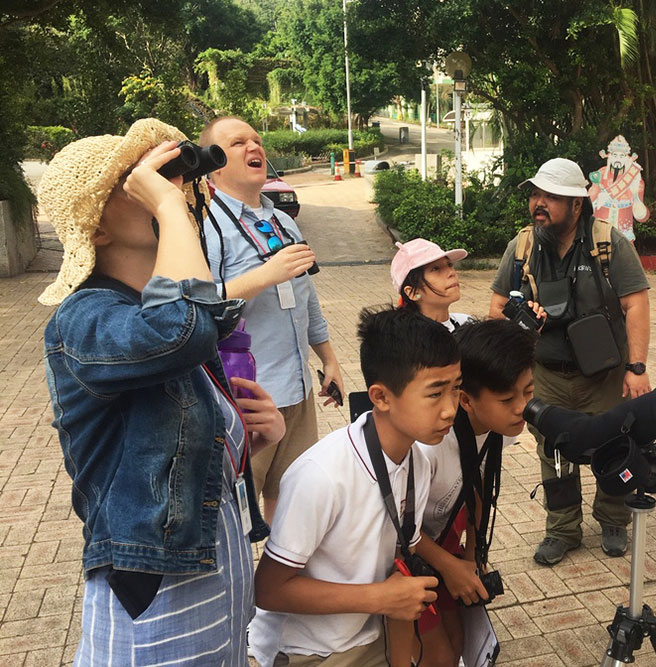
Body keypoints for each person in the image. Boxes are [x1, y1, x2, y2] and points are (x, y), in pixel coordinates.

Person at [38, 119, 285, 665]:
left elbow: (175, 460)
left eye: (171, 178)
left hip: (216, 573)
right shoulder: (85, 318)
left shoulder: (163, 310)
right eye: (138, 182)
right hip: (153, 595)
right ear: (96, 230)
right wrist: (172, 210)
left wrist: (248, 440)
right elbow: (181, 330)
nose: (169, 187)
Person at [250, 307, 460, 667]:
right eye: (435, 394)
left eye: (456, 390)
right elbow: (268, 589)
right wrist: (380, 598)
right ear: (380, 397)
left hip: (374, 636)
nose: (450, 410)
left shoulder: (418, 461)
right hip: (312, 652)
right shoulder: (323, 475)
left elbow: (401, 558)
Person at [489, 157, 652, 565]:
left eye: (550, 197)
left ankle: (613, 519)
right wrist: (520, 314)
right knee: (554, 450)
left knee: (613, 444)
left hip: (604, 374)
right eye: (535, 194)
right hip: (545, 373)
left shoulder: (609, 243)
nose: (538, 203)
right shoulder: (522, 246)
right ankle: (562, 529)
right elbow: (495, 309)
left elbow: (636, 305)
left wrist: (637, 368)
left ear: (577, 204)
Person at [200, 116, 345, 524]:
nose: (254, 147)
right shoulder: (206, 225)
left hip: (297, 391)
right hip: (245, 398)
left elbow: (305, 293)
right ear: (212, 161)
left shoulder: (282, 221)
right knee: (237, 514)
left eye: (257, 140)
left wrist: (328, 357)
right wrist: (265, 274)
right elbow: (198, 304)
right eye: (237, 142)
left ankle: (285, 583)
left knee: (294, 506)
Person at [405, 319, 536, 666]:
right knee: (439, 654)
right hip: (403, 556)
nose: (522, 407)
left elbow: (475, 489)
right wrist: (450, 566)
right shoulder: (429, 445)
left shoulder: (498, 426)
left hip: (442, 543)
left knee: (460, 638)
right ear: (465, 400)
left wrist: (471, 556)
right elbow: (398, 531)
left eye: (529, 391)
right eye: (508, 398)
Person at [391, 238, 472, 331]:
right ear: (412, 293)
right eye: (435, 269)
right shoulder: (406, 340)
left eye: (449, 265)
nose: (451, 273)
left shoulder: (467, 323)